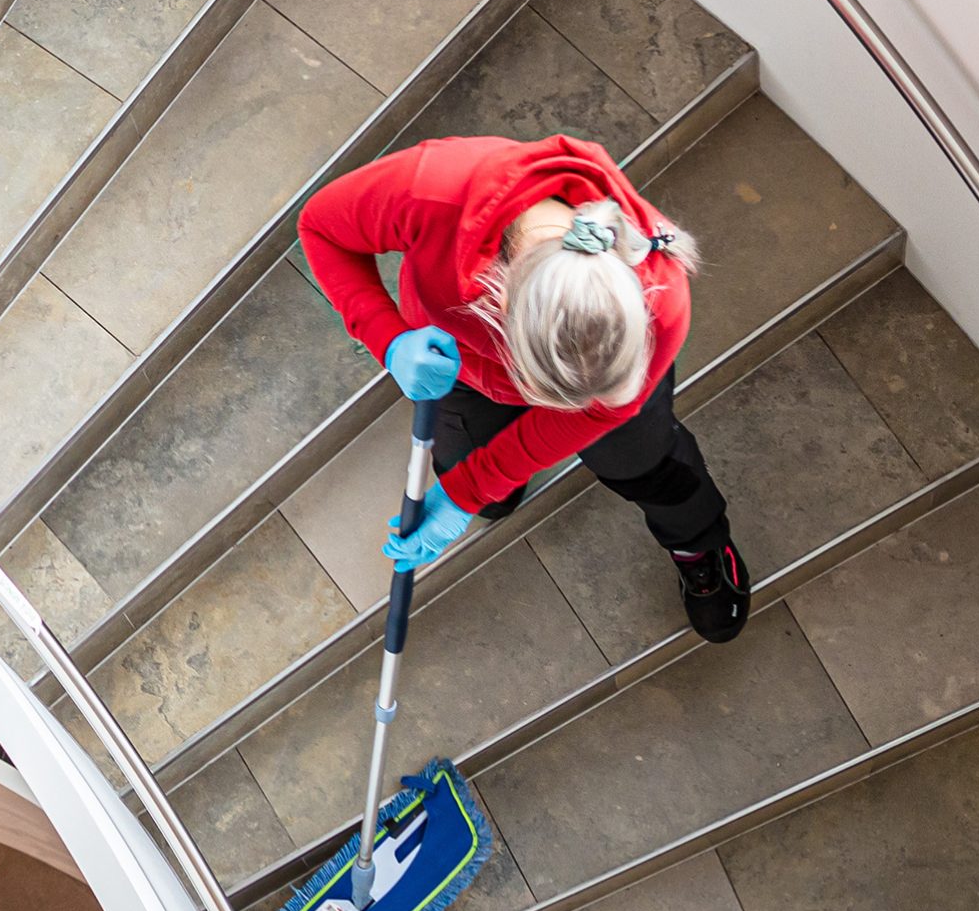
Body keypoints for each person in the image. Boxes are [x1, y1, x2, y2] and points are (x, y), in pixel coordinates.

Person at [298, 133, 750, 643]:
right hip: (463, 370)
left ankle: (698, 542)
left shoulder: (662, 299)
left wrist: (471, 487)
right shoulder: (431, 189)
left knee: (648, 467)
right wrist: (389, 339)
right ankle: (497, 485)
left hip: (596, 388)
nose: (554, 412)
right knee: (484, 483)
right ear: (499, 299)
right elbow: (321, 228)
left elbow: (599, 411)